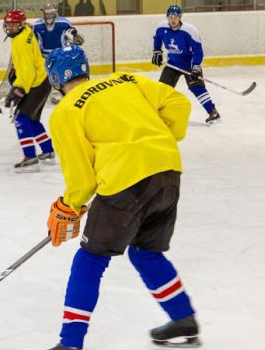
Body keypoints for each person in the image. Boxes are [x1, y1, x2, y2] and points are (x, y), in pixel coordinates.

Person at [44, 45, 200, 350]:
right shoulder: (126, 79)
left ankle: (71, 343)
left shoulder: (65, 111)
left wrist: (69, 206)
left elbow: (82, 179)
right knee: (145, 252)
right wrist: (164, 138)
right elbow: (178, 102)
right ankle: (183, 318)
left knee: (89, 261)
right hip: (168, 172)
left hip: (125, 183)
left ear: (55, 80)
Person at [2, 8, 55, 172]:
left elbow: (27, 72)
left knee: (21, 119)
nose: (10, 28)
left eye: (14, 25)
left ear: (22, 24)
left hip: (35, 84)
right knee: (31, 119)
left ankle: (30, 155)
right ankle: (47, 151)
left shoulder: (20, 41)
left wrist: (18, 89)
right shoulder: (25, 32)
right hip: (41, 82)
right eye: (8, 25)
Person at [152, 5, 220, 124]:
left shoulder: (189, 30)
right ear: (167, 17)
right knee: (162, 89)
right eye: (171, 17)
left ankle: (213, 112)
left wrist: (196, 67)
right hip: (172, 64)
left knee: (197, 87)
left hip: (189, 64)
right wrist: (157, 51)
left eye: (176, 17)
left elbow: (198, 51)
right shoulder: (161, 28)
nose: (173, 20)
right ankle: (156, 113)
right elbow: (157, 39)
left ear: (180, 18)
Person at [33, 2, 84, 104]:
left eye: (51, 13)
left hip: (62, 55)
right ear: (43, 14)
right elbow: (34, 43)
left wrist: (74, 36)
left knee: (62, 75)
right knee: (47, 77)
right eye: (47, 13)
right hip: (45, 56)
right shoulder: (37, 25)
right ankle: (48, 94)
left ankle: (62, 93)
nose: (49, 16)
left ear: (55, 13)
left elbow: (74, 35)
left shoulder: (64, 23)